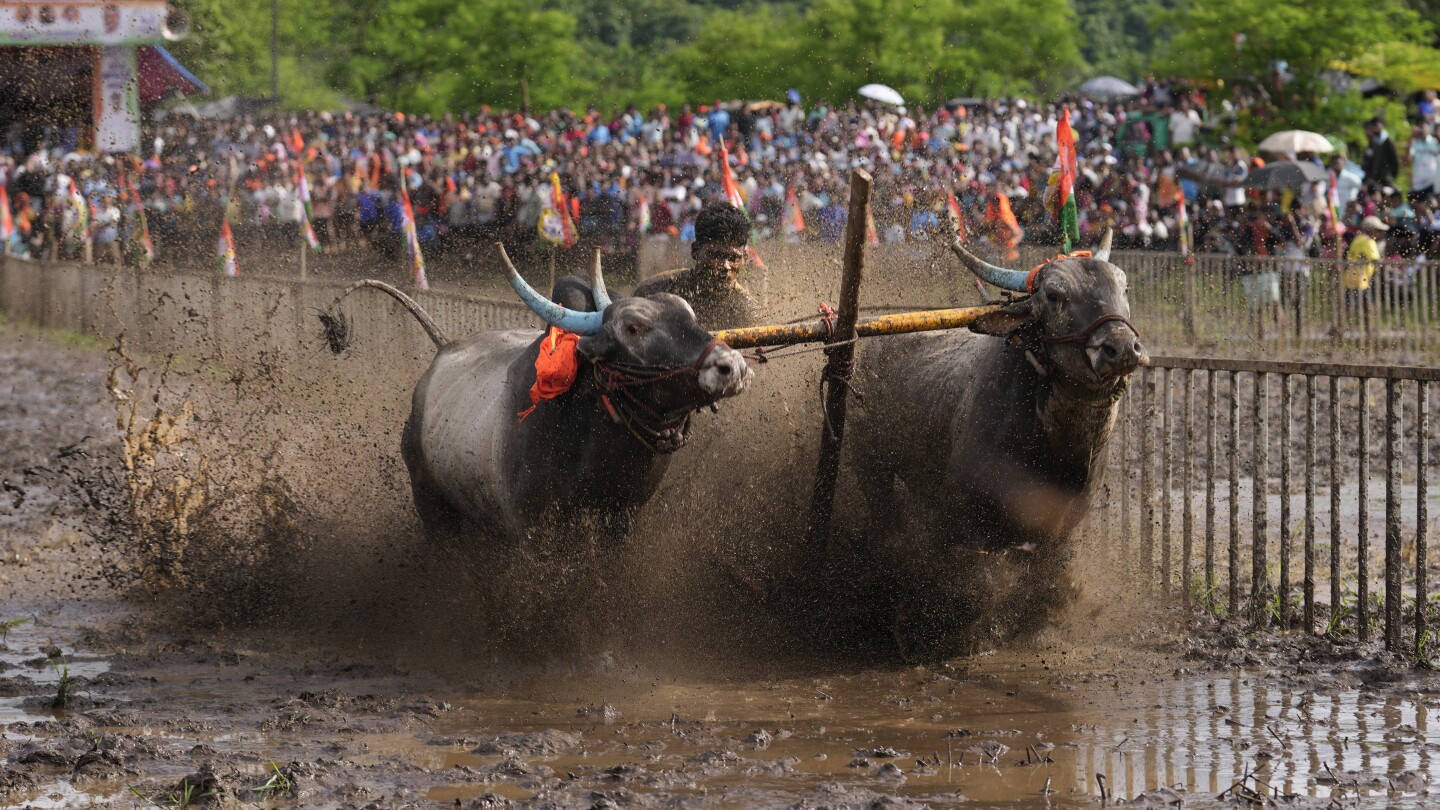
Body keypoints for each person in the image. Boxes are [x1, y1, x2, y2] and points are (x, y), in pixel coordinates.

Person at [630, 201, 759, 329]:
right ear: (696, 252)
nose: (725, 266)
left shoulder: (748, 311)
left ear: (744, 258)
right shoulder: (652, 293)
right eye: (716, 255)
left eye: (733, 258)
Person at [1344, 215, 1388, 336]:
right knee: (1350, 310)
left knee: (1367, 308)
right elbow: (1377, 261)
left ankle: (1370, 333)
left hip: (1353, 279)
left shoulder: (1358, 239)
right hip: (1359, 281)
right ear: (1371, 229)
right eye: (1378, 230)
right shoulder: (1369, 242)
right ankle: (1337, 331)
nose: (1379, 233)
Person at [1361, 117, 1400, 193]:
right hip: (1375, 178)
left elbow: (1395, 159)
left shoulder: (1387, 140)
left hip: (1386, 177)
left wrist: (1391, 176)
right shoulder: (1374, 141)